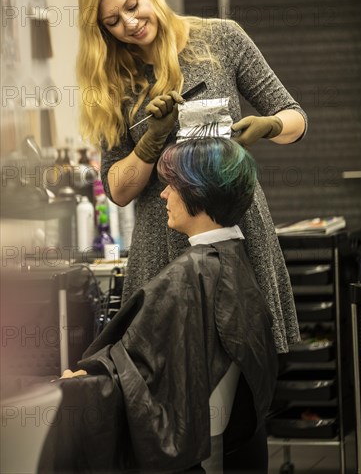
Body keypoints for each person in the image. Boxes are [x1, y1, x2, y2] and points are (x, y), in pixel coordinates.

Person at [77, 0, 307, 355]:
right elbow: (117, 190)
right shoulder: (113, 80)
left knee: (245, 367)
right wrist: (152, 141)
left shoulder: (222, 37)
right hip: (162, 238)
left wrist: (268, 126)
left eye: (132, 6)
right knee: (169, 376)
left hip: (235, 226)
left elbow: (296, 118)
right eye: (113, 21)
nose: (129, 24)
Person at [50, 137, 278, 473]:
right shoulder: (235, 261)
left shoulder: (191, 274)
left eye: (171, 185)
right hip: (222, 436)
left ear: (197, 191)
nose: (163, 195)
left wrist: (82, 384)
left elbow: (137, 372)